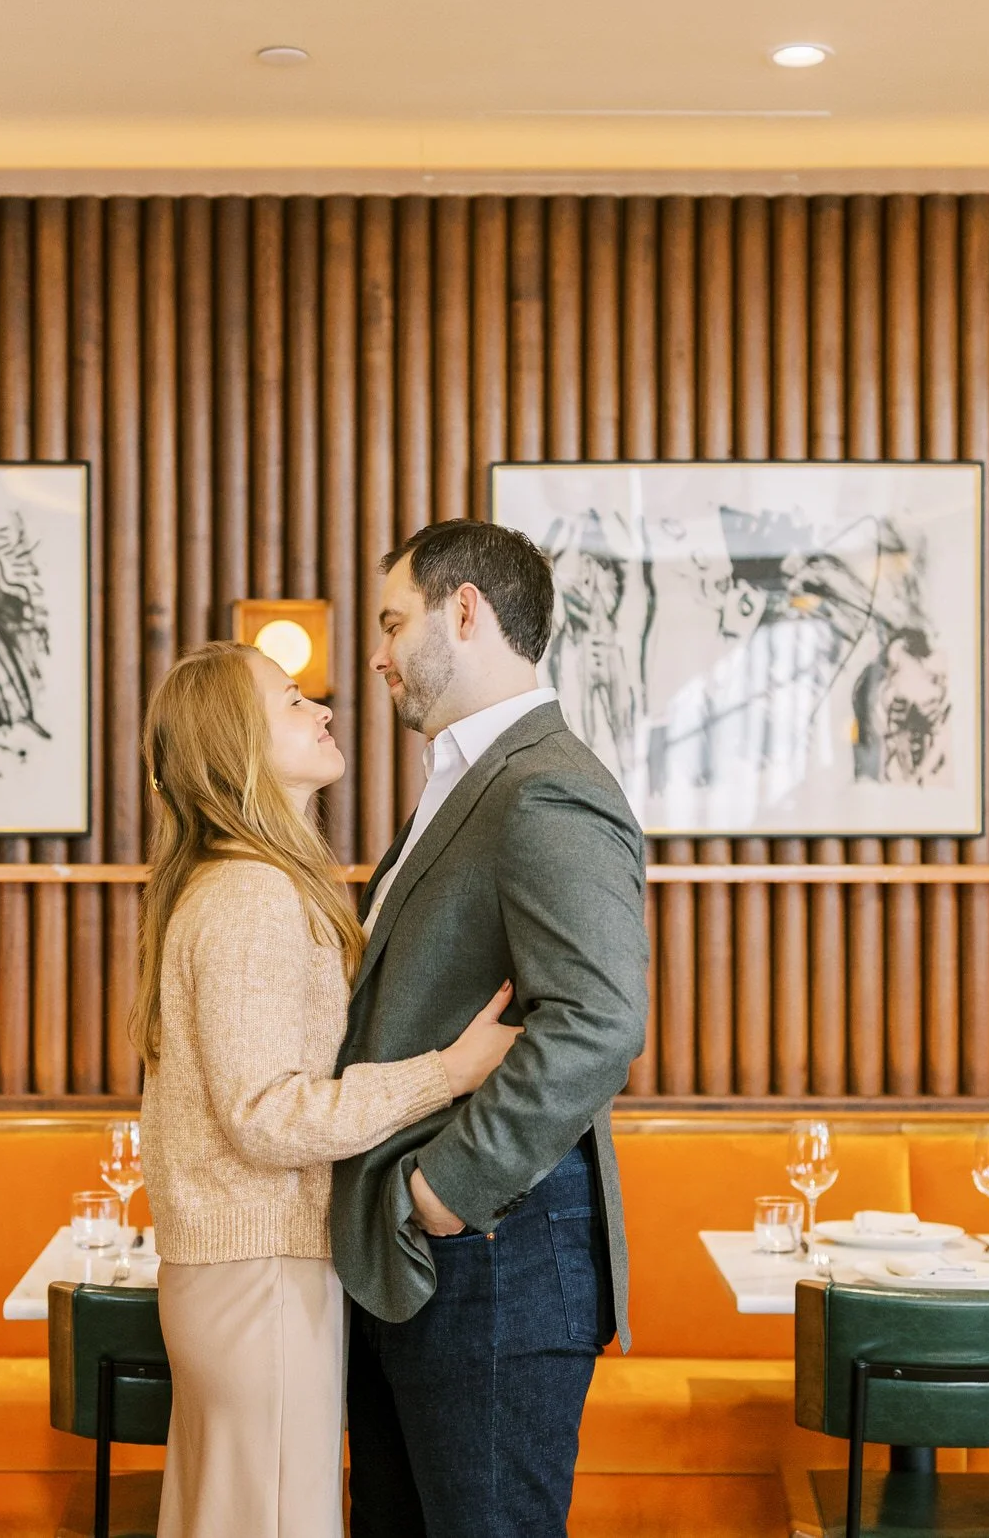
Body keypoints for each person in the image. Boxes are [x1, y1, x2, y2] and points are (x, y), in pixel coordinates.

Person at [132, 640, 524, 1538]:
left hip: (236, 1270)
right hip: (260, 1269)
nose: (323, 710)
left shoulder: (230, 883)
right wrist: (448, 1072)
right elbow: (266, 1114)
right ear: (238, 748)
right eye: (291, 701)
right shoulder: (253, 893)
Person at [331, 518, 652, 1538]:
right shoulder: (463, 780)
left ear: (463, 609)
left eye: (392, 621)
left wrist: (440, 1191)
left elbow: (598, 1018)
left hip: (495, 1256)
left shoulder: (542, 781)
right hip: (419, 1262)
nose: (376, 653)